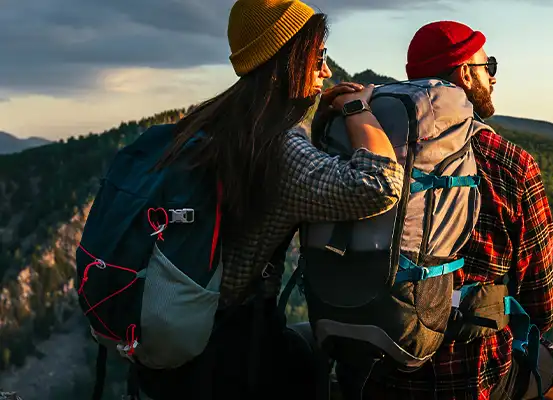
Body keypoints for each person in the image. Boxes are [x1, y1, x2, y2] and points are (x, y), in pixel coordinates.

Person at [135, 0, 403, 398]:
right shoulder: (276, 144)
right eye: (320, 58)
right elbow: (379, 184)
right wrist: (357, 109)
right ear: (287, 60)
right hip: (235, 356)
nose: (326, 71)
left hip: (171, 340)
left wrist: (323, 119)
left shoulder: (209, 122)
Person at [332, 20, 553, 400]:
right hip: (470, 376)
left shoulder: (364, 149)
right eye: (488, 65)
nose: (493, 76)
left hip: (369, 367)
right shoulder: (511, 164)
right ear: (465, 72)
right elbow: (540, 307)